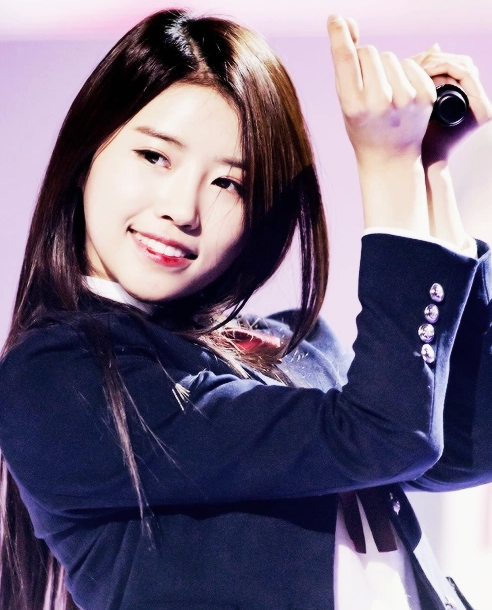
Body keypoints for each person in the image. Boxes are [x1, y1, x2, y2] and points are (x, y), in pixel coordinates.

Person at [0, 8, 491, 610]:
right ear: (86, 156)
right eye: (154, 156)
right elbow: (386, 436)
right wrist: (386, 166)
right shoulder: (56, 379)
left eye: (228, 183)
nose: (182, 209)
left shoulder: (292, 347)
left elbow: (457, 446)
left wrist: (429, 170)